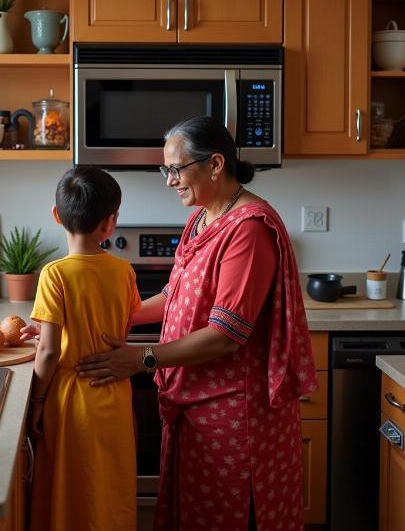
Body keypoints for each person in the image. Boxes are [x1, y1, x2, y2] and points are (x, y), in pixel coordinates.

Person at [76, 116, 319, 531]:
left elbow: (225, 336)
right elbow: (176, 295)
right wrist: (94, 318)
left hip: (235, 415)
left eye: (176, 169)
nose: (169, 180)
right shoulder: (202, 218)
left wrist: (142, 358)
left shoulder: (248, 230)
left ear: (215, 164)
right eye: (164, 170)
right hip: (198, 404)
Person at [27, 166, 141, 531]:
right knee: (109, 488)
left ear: (56, 216)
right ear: (111, 223)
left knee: (71, 488)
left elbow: (47, 353)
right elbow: (119, 322)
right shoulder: (124, 271)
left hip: (69, 399)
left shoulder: (54, 273)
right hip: (114, 395)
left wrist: (37, 402)